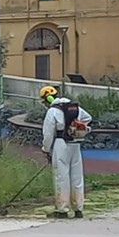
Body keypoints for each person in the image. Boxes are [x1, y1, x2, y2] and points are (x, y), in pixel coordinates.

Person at [39, 85, 92, 219]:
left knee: (61, 177)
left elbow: (48, 134)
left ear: (48, 99)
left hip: (60, 144)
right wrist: (77, 126)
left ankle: (62, 209)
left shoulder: (52, 111)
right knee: (77, 177)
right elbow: (88, 118)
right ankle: (78, 209)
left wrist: (46, 149)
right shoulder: (75, 108)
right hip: (75, 144)